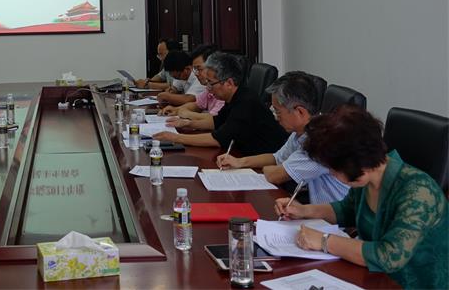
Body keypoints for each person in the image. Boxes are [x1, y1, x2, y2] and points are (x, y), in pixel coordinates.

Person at [276, 105, 448, 289]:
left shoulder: (418, 193)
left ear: (358, 165)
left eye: (334, 169)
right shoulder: (367, 178)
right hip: (373, 278)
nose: (331, 174)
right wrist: (303, 210)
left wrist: (324, 241)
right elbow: (346, 210)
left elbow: (388, 257)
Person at [216, 72, 349, 204]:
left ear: (300, 112)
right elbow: (276, 158)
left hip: (335, 216)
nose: (275, 117)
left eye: (278, 111)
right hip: (315, 209)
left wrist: (273, 169)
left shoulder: (320, 141)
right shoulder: (301, 132)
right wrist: (239, 162)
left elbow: (275, 176)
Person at [153, 52, 287, 155]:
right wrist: (188, 123)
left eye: (211, 83)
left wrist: (176, 138)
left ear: (229, 83)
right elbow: (216, 121)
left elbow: (217, 139)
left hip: (264, 161)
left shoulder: (246, 103)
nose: (208, 88)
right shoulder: (236, 96)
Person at [160, 44, 223, 120]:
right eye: (195, 69)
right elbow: (197, 105)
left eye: (199, 69)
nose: (196, 74)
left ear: (214, 67)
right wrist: (176, 110)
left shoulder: (222, 90)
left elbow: (214, 119)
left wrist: (186, 114)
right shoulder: (209, 88)